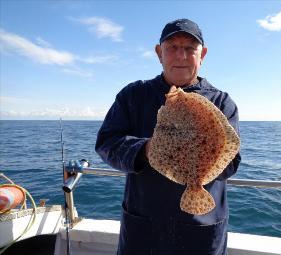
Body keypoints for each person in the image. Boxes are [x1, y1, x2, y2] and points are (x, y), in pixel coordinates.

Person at [95, 18, 241, 255]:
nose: (181, 56)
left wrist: (197, 151)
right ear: (158, 52)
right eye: (172, 47)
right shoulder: (133, 95)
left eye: (189, 48)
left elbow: (231, 160)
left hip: (201, 230)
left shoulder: (222, 102)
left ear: (201, 54)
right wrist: (148, 149)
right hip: (142, 230)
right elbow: (106, 143)